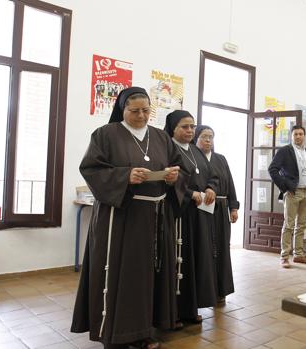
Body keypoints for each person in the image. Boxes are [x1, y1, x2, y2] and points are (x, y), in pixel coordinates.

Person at [71, 87, 183, 349]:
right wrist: (125, 176)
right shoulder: (105, 134)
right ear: (123, 109)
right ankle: (115, 333)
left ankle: (143, 330)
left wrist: (173, 177)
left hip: (155, 217)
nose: (142, 116)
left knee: (147, 276)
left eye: (146, 110)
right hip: (121, 218)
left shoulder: (160, 137)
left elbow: (180, 168)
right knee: (123, 274)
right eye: (135, 111)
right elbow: (91, 169)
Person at [164, 110, 219, 326]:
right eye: (184, 127)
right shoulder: (167, 149)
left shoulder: (196, 151)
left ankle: (190, 308)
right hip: (178, 216)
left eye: (192, 127)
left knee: (196, 261)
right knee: (179, 261)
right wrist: (189, 194)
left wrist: (210, 187)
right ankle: (174, 312)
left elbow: (212, 174)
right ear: (173, 129)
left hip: (199, 216)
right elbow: (168, 179)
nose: (190, 131)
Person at [268, 125, 306, 268]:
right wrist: (285, 186)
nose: (298, 136)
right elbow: (272, 169)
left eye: (300, 134)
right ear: (291, 137)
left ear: (304, 136)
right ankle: (284, 256)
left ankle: (298, 255)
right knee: (289, 225)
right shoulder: (285, 151)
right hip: (293, 192)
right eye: (295, 134)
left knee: (301, 226)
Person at [195, 125, 239, 303]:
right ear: (196, 139)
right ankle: (205, 292)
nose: (208, 140)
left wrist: (233, 207)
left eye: (211, 137)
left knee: (222, 247)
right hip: (201, 209)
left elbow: (230, 183)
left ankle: (222, 291)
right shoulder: (193, 158)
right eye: (204, 137)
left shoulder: (220, 159)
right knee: (205, 250)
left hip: (221, 207)